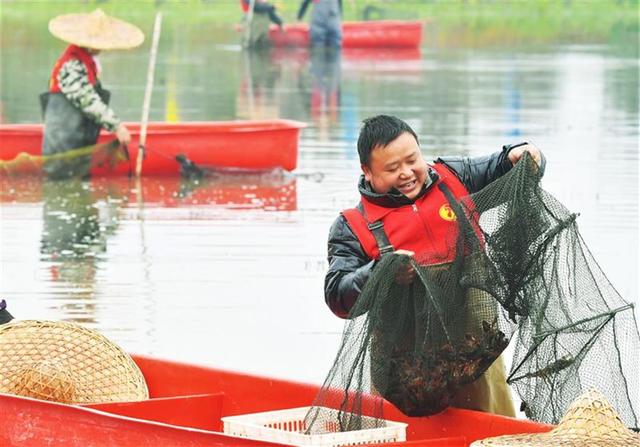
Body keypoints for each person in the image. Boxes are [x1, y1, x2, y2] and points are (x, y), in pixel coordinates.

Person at [324, 114, 544, 417]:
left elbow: (503, 166)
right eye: (391, 168)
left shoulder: (454, 179)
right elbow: (338, 297)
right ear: (367, 171)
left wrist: (523, 153)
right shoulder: (353, 226)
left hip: (475, 357)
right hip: (404, 376)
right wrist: (381, 273)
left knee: (493, 432)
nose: (406, 173)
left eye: (411, 159)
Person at [41, 9, 144, 179]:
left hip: (79, 148)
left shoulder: (88, 62)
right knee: (64, 190)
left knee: (80, 193)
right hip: (63, 150)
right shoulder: (72, 65)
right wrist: (116, 126)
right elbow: (87, 100)